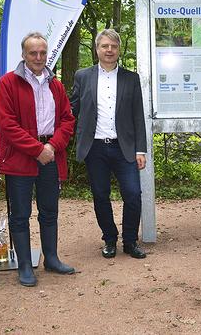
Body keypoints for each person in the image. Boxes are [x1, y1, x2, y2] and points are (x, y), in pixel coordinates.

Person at [0, 32, 75, 287]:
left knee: (49, 211)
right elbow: (7, 125)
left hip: (51, 154)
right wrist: (36, 149)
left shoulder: (56, 84)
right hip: (21, 158)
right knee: (20, 215)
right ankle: (25, 266)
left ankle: (51, 258)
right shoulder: (8, 83)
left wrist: (52, 146)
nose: (39, 57)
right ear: (24, 55)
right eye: (33, 53)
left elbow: (67, 120)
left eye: (43, 52)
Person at [70, 29, 147, 259]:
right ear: (97, 49)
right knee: (100, 195)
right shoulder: (82, 76)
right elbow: (72, 109)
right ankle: (110, 239)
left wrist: (140, 149)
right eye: (105, 46)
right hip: (94, 148)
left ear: (119, 50)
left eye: (113, 46)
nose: (109, 50)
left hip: (124, 147)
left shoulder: (130, 78)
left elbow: (138, 115)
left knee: (133, 194)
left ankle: (130, 241)